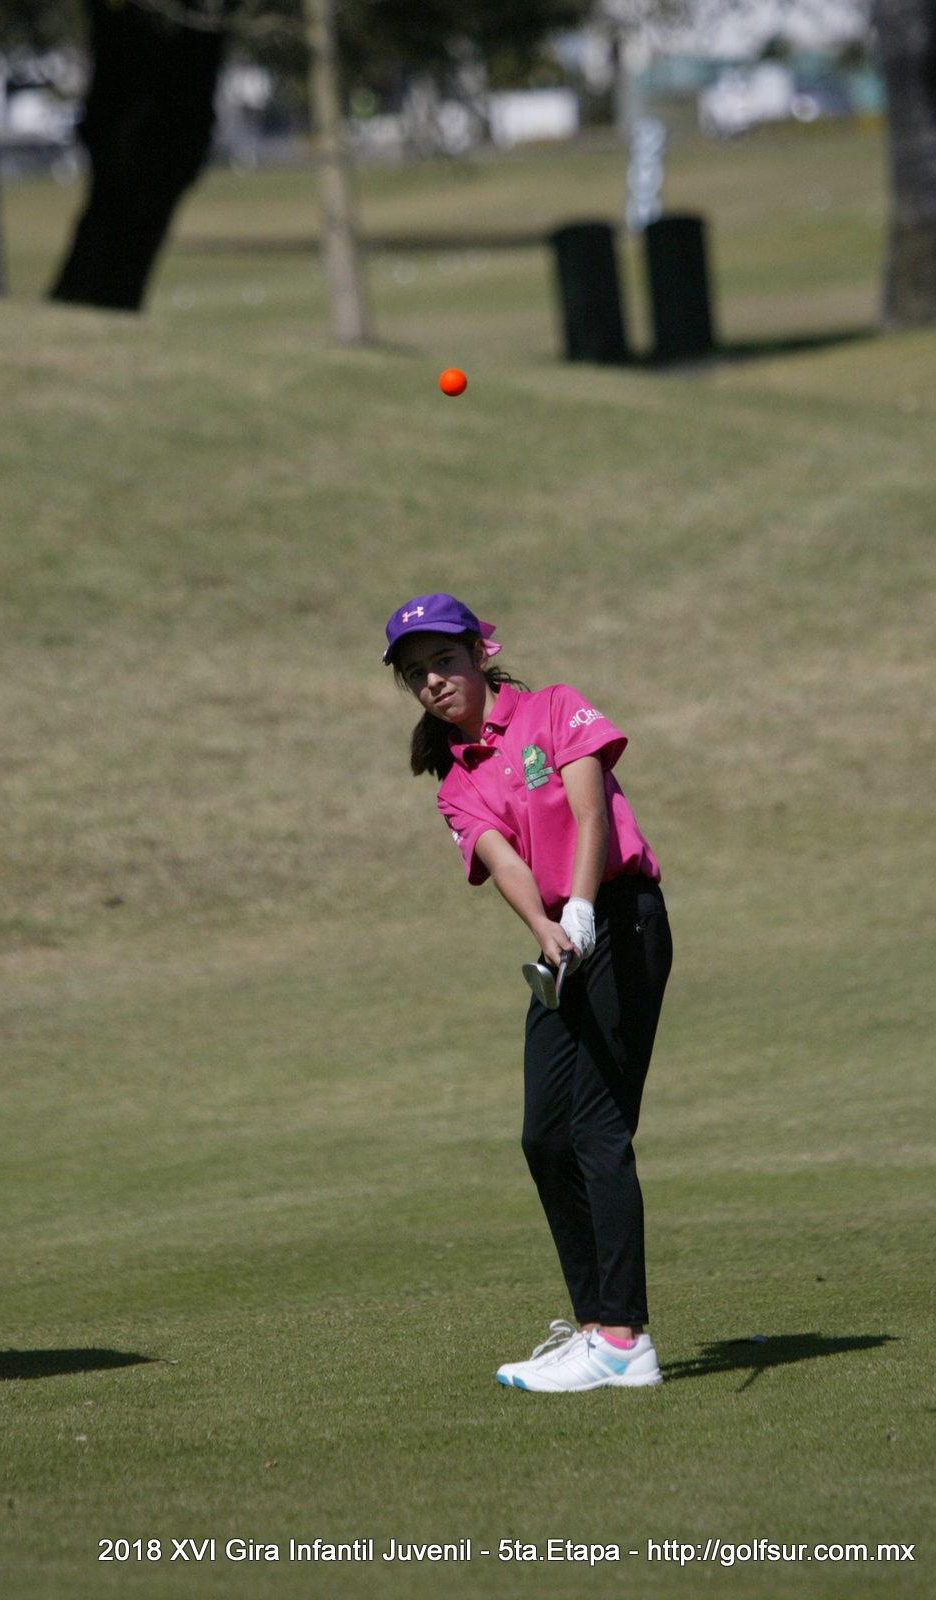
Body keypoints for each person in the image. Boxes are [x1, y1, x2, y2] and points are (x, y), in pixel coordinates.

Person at [383, 592, 673, 1392]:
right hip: (563, 941)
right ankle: (596, 1328)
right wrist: (546, 928)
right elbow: (503, 860)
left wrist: (580, 905)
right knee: (545, 1137)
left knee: (598, 1128)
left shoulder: (554, 709)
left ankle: (624, 1339)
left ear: (481, 651)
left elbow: (590, 813)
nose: (433, 681)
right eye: (416, 673)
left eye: (445, 660)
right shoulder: (454, 780)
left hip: (622, 917)